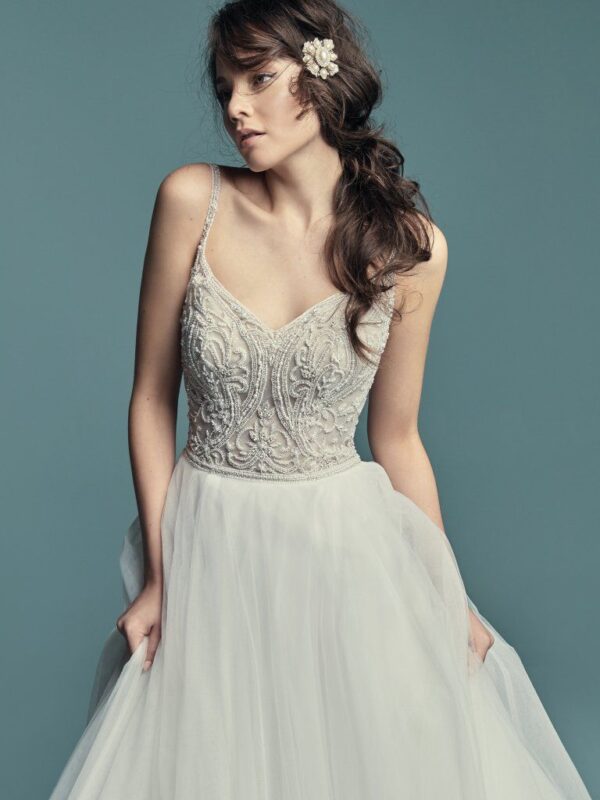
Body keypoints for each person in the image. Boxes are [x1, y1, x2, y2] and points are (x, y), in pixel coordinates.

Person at [49, 0, 593, 797]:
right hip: (209, 545)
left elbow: (398, 439)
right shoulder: (192, 200)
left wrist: (449, 595)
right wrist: (164, 577)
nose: (235, 108)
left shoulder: (411, 251)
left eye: (258, 78)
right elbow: (151, 400)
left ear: (320, 75)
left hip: (344, 557)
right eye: (225, 87)